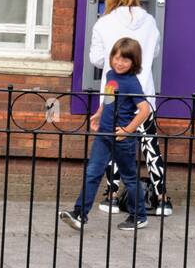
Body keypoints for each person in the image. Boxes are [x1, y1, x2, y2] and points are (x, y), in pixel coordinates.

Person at [90, 0, 173, 216]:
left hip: (113, 96)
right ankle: (162, 200)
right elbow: (154, 54)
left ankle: (113, 197)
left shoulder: (103, 23)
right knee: (150, 147)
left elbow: (96, 59)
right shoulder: (150, 22)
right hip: (142, 93)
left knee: (113, 142)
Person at [58, 37, 149, 232]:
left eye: (125, 60)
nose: (119, 63)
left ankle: (139, 216)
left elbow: (144, 110)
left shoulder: (132, 83)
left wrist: (128, 130)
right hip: (104, 135)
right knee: (92, 172)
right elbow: (109, 98)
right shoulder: (110, 74)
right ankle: (79, 214)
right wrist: (99, 114)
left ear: (134, 62)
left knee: (130, 177)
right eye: (116, 58)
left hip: (121, 137)